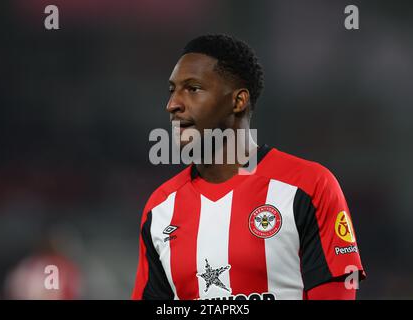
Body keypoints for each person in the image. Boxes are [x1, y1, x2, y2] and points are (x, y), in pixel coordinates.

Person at [132, 34, 365, 300]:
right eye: (172, 90)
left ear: (238, 101)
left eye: (192, 88)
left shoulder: (308, 187)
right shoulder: (161, 208)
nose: (172, 104)